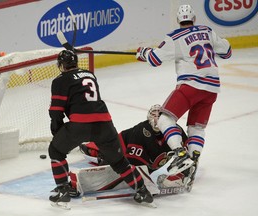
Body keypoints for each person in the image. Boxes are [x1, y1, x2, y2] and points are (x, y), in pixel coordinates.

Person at [136, 4, 232, 186]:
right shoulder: (207, 30)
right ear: (194, 19)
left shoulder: (175, 37)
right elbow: (227, 52)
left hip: (191, 85)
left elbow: (154, 59)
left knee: (164, 119)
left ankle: (180, 154)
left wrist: (143, 52)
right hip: (212, 88)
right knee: (197, 128)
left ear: (178, 20)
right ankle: (192, 163)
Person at [48, 50, 153, 209]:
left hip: (79, 125)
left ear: (60, 65)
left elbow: (56, 111)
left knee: (56, 151)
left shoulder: (60, 80)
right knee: (119, 162)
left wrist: (57, 130)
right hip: (104, 124)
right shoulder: (90, 75)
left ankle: (63, 191)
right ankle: (143, 192)